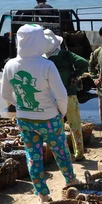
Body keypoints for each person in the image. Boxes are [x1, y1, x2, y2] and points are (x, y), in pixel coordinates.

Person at [1, 24, 78, 204]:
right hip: (49, 119)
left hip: (25, 120)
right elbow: (61, 95)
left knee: (33, 156)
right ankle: (71, 181)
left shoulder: (10, 65)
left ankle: (43, 196)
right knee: (61, 152)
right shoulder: (47, 65)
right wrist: (62, 112)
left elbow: (5, 94)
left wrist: (20, 105)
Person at [43, 29, 89, 161]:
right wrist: (74, 74)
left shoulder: (43, 60)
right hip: (69, 94)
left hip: (52, 97)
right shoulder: (66, 55)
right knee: (75, 124)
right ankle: (78, 153)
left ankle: (60, 154)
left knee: (57, 127)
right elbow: (84, 63)